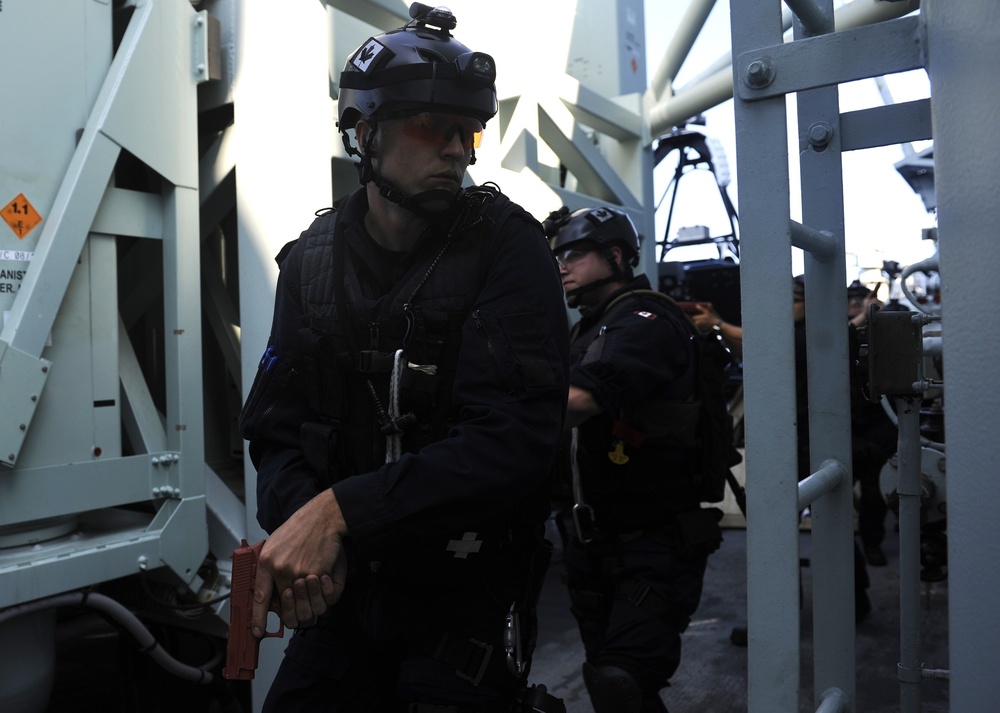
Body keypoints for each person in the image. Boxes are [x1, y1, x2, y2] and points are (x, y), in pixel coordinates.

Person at [238, 6, 570, 711]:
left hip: (462, 604)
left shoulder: (508, 248)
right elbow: (275, 432)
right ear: (365, 135)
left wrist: (340, 512)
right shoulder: (311, 266)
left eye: (466, 130)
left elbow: (513, 441)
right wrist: (310, 533)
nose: (457, 149)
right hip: (345, 598)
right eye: (431, 127)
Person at [544, 205, 723, 713]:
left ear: (617, 256)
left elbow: (577, 402)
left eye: (574, 254)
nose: (562, 267)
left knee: (622, 679)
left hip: (653, 541)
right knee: (612, 679)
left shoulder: (644, 320)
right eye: (558, 256)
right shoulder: (592, 328)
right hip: (593, 540)